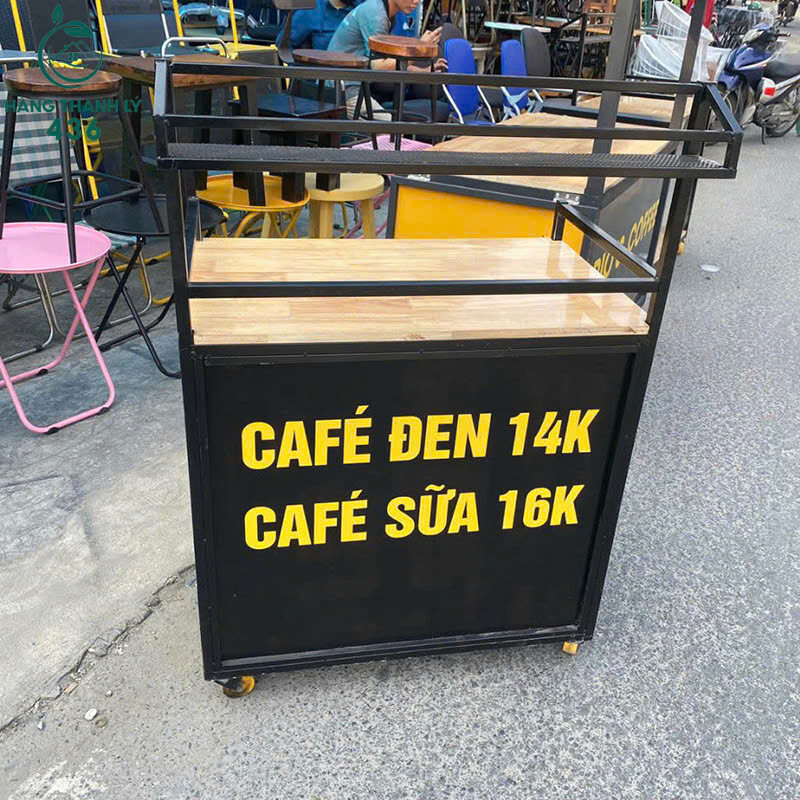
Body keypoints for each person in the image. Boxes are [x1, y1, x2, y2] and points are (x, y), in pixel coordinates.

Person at [327, 0, 446, 118]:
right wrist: (419, 49)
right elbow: (379, 67)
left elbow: (392, 61)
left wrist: (422, 71)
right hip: (342, 89)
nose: (416, 1)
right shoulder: (376, 15)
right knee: (389, 126)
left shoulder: (382, 11)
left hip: (354, 85)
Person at [290, 0, 357, 51]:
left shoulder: (360, 8)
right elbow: (286, 47)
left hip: (356, 64)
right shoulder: (311, 10)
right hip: (322, 64)